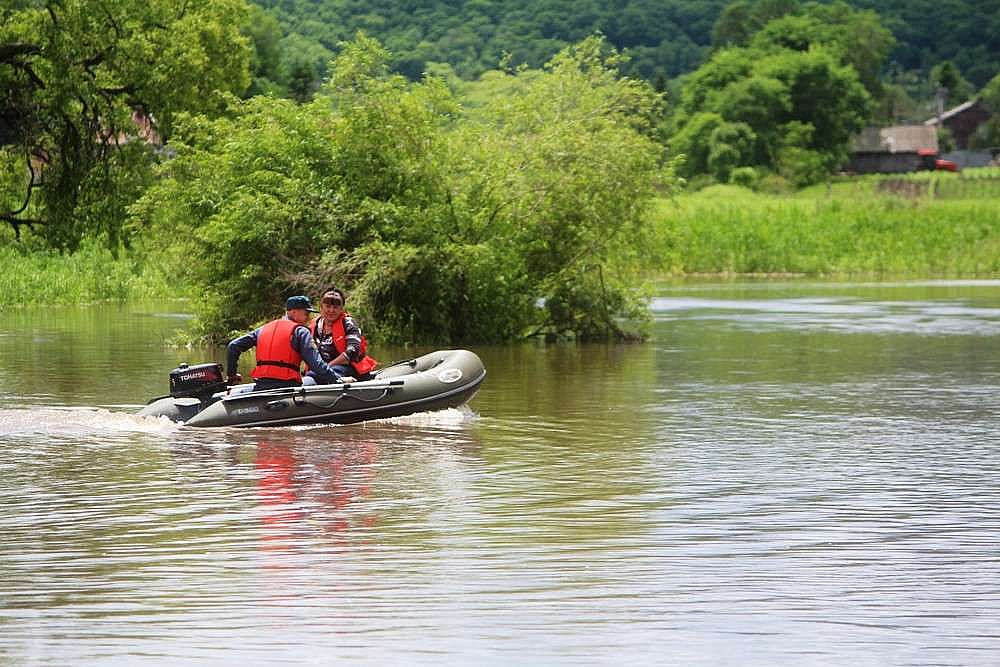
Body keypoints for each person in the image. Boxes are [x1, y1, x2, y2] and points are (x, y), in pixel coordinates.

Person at [226, 295, 342, 391]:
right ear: (293, 311)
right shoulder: (301, 331)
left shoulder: (263, 329)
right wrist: (338, 380)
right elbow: (316, 364)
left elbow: (233, 346)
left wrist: (232, 375)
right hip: (288, 385)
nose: (308, 317)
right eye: (306, 313)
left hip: (262, 385)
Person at [306, 288, 378, 384]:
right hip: (322, 369)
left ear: (341, 309)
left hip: (347, 368)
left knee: (325, 372)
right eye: (327, 306)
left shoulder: (348, 323)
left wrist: (326, 368)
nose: (331, 310)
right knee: (311, 374)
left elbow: (352, 351)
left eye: (335, 307)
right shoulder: (314, 325)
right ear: (321, 307)